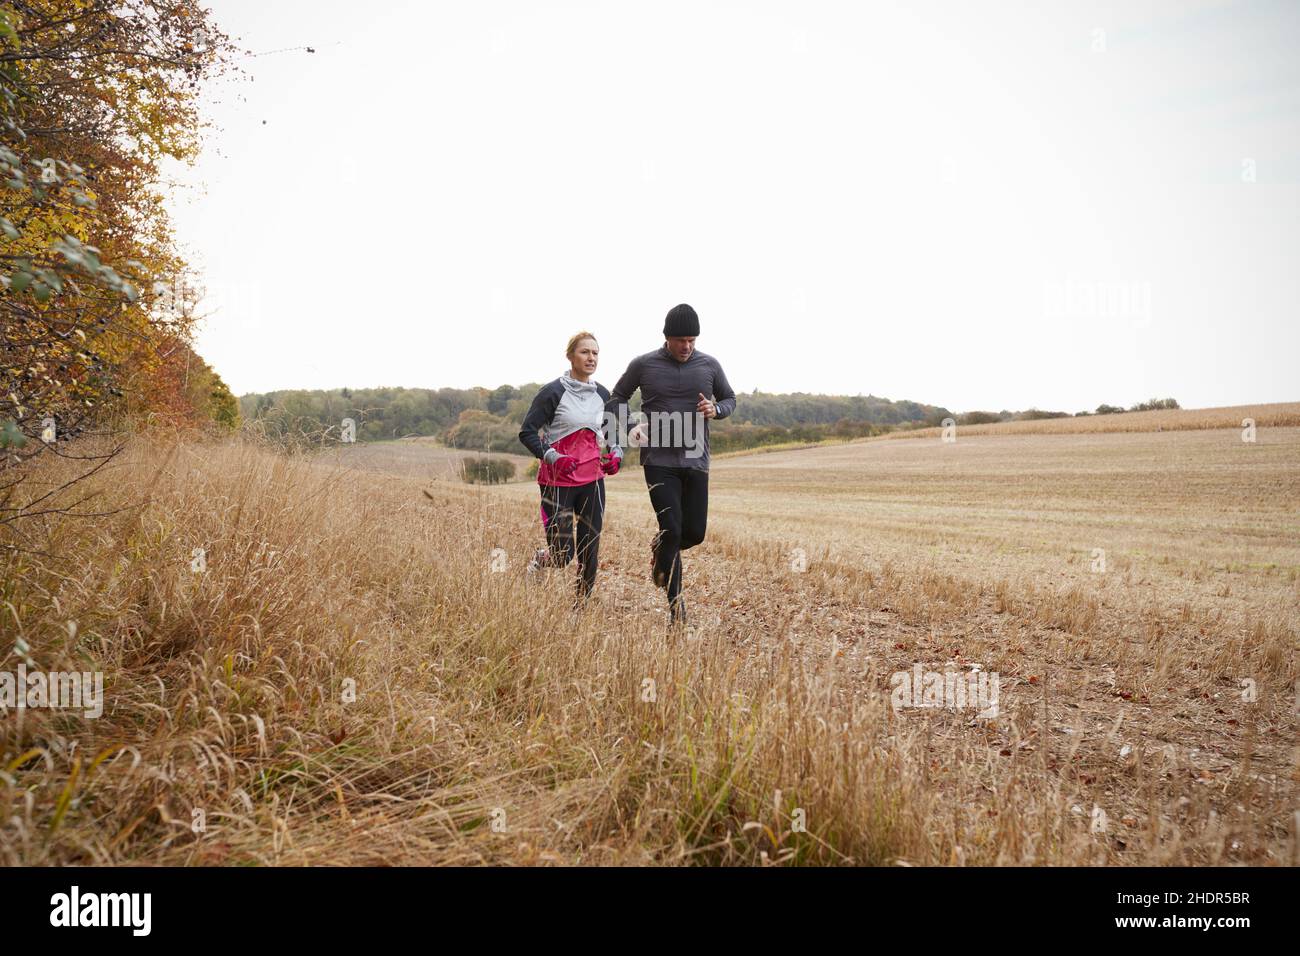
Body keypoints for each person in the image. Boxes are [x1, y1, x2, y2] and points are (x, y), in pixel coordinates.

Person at [606, 304, 736, 625]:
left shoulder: (710, 365)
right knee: (673, 529)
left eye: (692, 340)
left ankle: (660, 547)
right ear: (667, 338)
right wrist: (631, 425)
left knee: (693, 533)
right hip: (658, 460)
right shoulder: (644, 364)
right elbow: (616, 397)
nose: (687, 346)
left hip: (696, 460)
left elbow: (730, 399)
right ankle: (676, 611)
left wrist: (715, 409)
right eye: (681, 340)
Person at [518, 331, 623, 603]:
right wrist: (553, 457)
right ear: (570, 356)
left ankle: (580, 609)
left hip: (592, 482)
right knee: (563, 555)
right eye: (584, 352)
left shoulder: (603, 393)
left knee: (590, 551)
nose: (591, 358)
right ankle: (542, 559)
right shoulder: (553, 392)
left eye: (595, 353)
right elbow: (527, 432)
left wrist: (616, 453)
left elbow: (612, 431)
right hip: (557, 482)